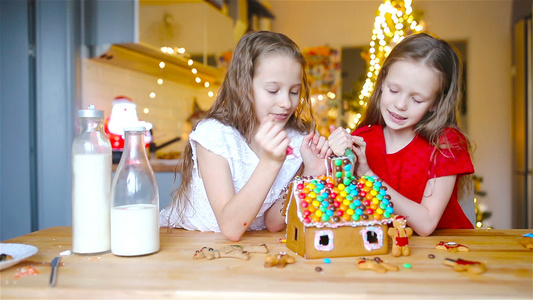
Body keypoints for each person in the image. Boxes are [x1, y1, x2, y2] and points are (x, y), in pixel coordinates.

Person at [160, 31, 331, 241]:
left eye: (294, 92)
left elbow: (274, 222)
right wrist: (270, 162)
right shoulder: (215, 136)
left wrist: (311, 172)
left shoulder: (296, 139)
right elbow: (231, 228)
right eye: (272, 90)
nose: (286, 103)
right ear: (243, 87)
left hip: (251, 247)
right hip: (190, 243)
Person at [328, 33, 474, 236]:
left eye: (417, 99)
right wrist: (335, 159)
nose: (400, 105)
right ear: (382, 82)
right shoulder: (363, 139)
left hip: (446, 252)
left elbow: (426, 224)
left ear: (436, 103)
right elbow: (341, 212)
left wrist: (368, 176)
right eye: (394, 90)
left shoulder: (446, 143)